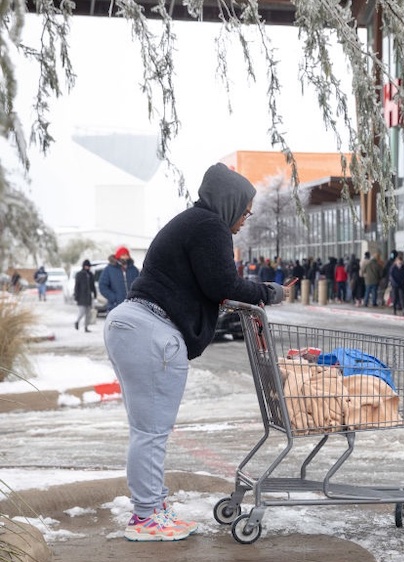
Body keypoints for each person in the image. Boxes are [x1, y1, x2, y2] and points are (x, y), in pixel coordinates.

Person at [103, 163, 287, 542]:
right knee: (151, 432)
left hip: (131, 322)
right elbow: (222, 283)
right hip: (152, 330)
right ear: (230, 203)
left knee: (146, 430)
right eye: (245, 210)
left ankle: (151, 507)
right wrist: (269, 292)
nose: (244, 219)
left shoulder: (191, 222)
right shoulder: (210, 226)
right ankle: (146, 517)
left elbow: (206, 284)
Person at [100, 246, 140, 313]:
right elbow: (102, 286)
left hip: (132, 307)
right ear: (118, 256)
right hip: (115, 306)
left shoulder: (134, 270)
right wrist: (114, 298)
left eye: (127, 255)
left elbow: (139, 285)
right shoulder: (109, 269)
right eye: (123, 255)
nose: (125, 257)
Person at [73, 259, 97, 332]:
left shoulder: (90, 275)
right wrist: (76, 296)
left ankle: (86, 327)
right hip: (81, 297)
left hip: (89, 297)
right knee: (82, 312)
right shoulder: (79, 274)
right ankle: (77, 321)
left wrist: (95, 294)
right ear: (84, 266)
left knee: (88, 313)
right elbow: (77, 286)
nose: (88, 267)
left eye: (89, 266)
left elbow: (93, 286)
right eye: (87, 266)